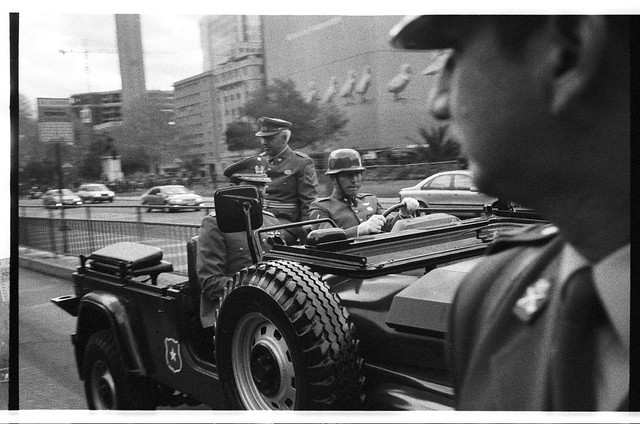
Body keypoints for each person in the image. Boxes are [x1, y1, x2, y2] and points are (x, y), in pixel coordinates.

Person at [390, 15, 629, 411]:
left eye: (455, 53)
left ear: (566, 54)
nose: (439, 102)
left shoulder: (493, 300)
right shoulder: (486, 298)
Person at [197, 156, 281, 329]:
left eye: (263, 185)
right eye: (253, 186)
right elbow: (211, 282)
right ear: (232, 188)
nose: (260, 192)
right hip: (228, 313)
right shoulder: (215, 224)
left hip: (269, 308)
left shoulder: (271, 221)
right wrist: (258, 291)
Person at [309, 148, 419, 238]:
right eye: (348, 175)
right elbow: (325, 238)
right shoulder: (320, 207)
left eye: (358, 174)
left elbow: (388, 225)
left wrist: (403, 214)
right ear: (333, 179)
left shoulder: (370, 200)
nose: (354, 180)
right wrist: (360, 229)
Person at [255, 116, 318, 243]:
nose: (264, 142)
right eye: (263, 138)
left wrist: (306, 229)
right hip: (260, 219)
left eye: (269, 138)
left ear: (284, 138)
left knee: (261, 239)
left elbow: (309, 201)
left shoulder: (301, 162)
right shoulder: (259, 161)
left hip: (286, 223)